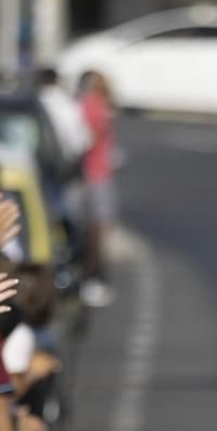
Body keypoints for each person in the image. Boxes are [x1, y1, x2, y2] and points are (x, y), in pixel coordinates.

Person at [77, 71, 119, 307]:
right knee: (96, 229)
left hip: (99, 172)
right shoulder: (92, 105)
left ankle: (92, 276)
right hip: (96, 173)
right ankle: (91, 278)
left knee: (98, 229)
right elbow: (89, 138)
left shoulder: (94, 104)